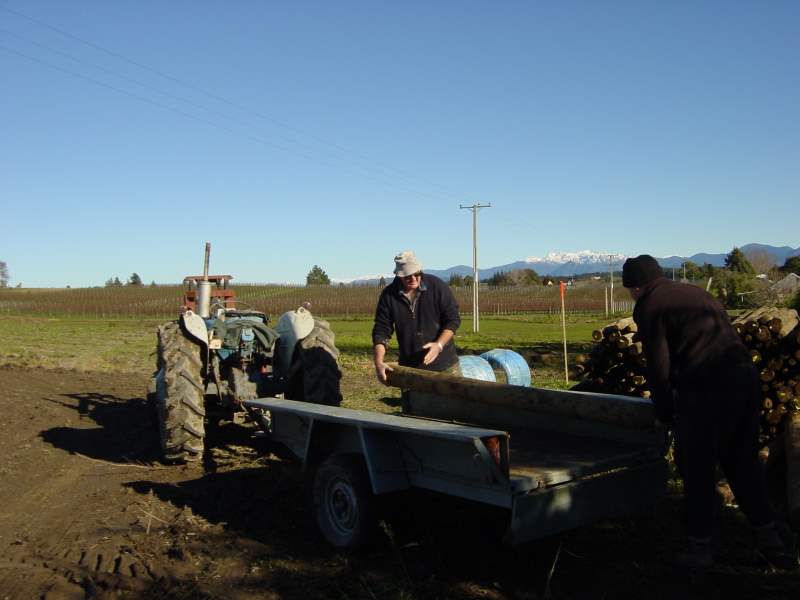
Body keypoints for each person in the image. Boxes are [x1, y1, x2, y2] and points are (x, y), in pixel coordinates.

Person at [622, 254, 797, 569]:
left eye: (629, 290)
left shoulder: (650, 305)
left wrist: (664, 412)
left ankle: (700, 548)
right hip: (744, 380)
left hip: (706, 389)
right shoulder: (696, 293)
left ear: (635, 286)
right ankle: (769, 537)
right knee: (742, 460)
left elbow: (658, 366)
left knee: (697, 468)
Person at [372, 251, 461, 383]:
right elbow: (381, 331)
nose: (413, 278)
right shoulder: (388, 296)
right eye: (407, 276)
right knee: (415, 404)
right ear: (399, 275)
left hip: (445, 366)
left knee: (455, 403)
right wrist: (378, 362)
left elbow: (453, 319)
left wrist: (439, 345)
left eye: (417, 274)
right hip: (410, 370)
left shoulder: (437, 286)